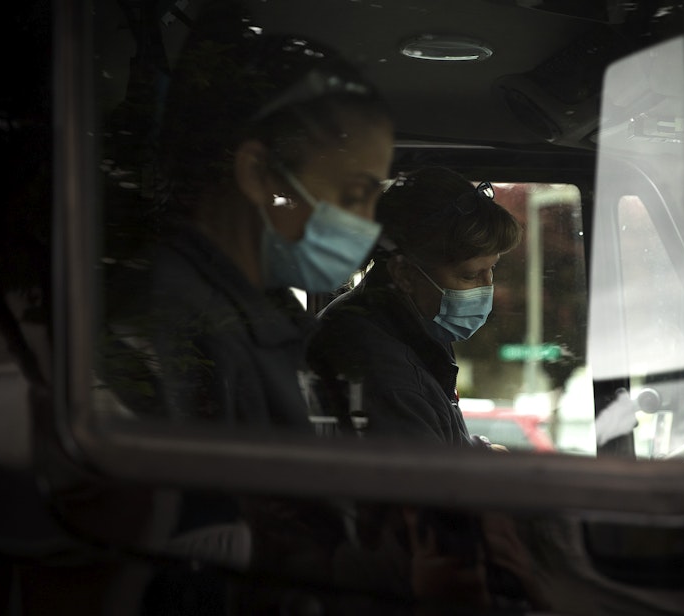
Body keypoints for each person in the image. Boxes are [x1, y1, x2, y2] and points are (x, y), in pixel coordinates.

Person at [102, 0, 395, 429]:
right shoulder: (176, 324)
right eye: (353, 196)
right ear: (259, 173)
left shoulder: (257, 314)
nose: (368, 226)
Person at [307, 166, 522, 445]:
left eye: (491, 270)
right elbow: (426, 483)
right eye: (469, 275)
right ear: (405, 273)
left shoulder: (414, 326)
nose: (487, 287)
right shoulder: (378, 369)